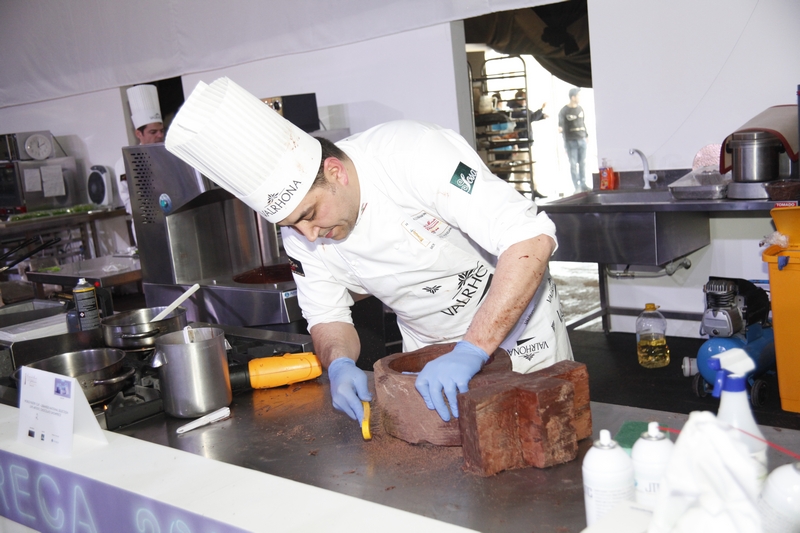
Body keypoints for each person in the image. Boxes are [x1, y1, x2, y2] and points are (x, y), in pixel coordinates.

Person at [165, 77, 573, 425]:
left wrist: (471, 349)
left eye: (309, 213)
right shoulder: (302, 233)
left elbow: (529, 239)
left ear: (335, 172)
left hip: (519, 336)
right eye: (292, 225)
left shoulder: (411, 153)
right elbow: (327, 315)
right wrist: (339, 363)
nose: (308, 234)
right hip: (428, 355)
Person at [114, 84, 165, 244]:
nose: (159, 135)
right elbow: (130, 199)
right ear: (138, 133)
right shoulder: (125, 162)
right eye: (153, 132)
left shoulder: (169, 155)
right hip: (147, 225)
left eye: (161, 130)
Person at [558, 88, 588, 192]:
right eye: (578, 96)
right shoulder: (564, 111)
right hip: (571, 140)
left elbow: (583, 122)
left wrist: (586, 135)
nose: (579, 98)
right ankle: (577, 186)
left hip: (582, 138)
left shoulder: (580, 109)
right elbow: (560, 126)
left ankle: (583, 184)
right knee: (573, 163)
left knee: (582, 162)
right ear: (573, 97)